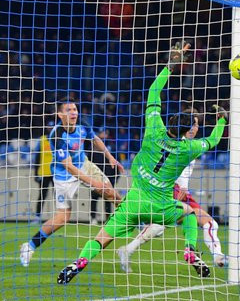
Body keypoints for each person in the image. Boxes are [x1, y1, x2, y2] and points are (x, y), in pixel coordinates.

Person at [57, 42, 227, 284]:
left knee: (101, 237)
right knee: (190, 215)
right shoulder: (188, 148)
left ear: (169, 122)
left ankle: (78, 263)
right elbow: (212, 140)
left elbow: (153, 92)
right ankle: (190, 250)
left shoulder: (154, 129)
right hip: (160, 206)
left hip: (134, 202)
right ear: (188, 130)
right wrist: (221, 120)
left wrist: (170, 64)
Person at [117, 109, 227, 273]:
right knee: (171, 224)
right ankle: (197, 253)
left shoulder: (191, 146)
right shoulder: (179, 146)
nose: (193, 128)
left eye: (196, 125)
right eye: (191, 124)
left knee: (203, 223)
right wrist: (223, 121)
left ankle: (215, 255)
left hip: (177, 191)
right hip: (169, 189)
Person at [20, 99, 124, 267]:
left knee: (110, 192)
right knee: (63, 218)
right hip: (64, 177)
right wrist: (92, 183)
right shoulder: (56, 135)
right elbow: (68, 167)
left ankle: (136, 219)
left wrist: (110, 157)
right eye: (69, 110)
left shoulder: (82, 124)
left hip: (84, 164)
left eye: (75, 109)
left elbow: (95, 138)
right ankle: (30, 246)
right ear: (60, 115)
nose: (74, 112)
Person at [88, 128, 119, 225]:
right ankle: (93, 218)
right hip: (95, 178)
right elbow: (88, 163)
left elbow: (116, 162)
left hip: (108, 178)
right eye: (102, 132)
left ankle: (108, 218)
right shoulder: (93, 147)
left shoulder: (112, 147)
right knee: (94, 199)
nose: (103, 134)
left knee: (108, 199)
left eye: (105, 132)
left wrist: (115, 178)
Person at [33, 121, 54, 223]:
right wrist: (35, 173)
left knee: (58, 196)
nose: (50, 129)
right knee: (42, 195)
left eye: (52, 127)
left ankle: (58, 217)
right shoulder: (42, 140)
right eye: (49, 127)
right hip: (44, 173)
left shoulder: (57, 140)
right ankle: (37, 216)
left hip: (55, 173)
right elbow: (37, 157)